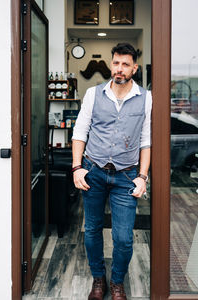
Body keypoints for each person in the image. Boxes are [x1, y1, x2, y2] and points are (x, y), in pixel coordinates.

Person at [72, 43, 152, 300]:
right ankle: (98, 279)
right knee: (93, 229)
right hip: (93, 171)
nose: (119, 69)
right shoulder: (94, 94)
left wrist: (142, 176)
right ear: (111, 64)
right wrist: (77, 168)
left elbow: (146, 141)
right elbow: (79, 133)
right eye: (116, 63)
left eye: (125, 64)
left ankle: (117, 282)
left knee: (124, 238)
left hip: (126, 176)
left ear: (134, 68)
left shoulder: (146, 98)